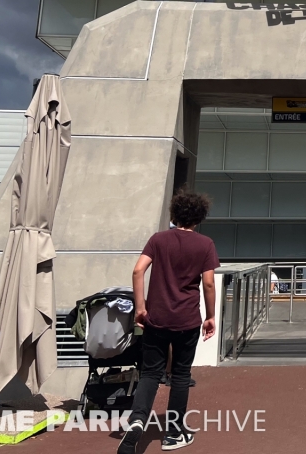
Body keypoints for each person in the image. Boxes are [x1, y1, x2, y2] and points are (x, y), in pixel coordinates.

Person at [118, 190, 219, 454]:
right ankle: (173, 433)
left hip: (157, 318)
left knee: (151, 373)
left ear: (174, 214)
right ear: (199, 218)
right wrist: (210, 315)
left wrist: (141, 308)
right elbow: (208, 282)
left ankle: (137, 420)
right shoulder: (205, 244)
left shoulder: (158, 239)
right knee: (181, 375)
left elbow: (138, 270)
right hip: (186, 319)